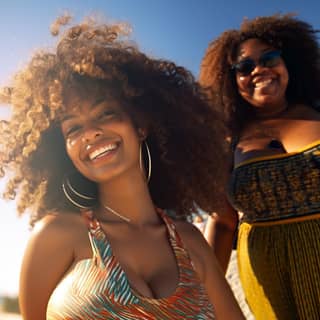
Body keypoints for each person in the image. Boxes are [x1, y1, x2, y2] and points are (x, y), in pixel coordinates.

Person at [0, 15, 244, 320]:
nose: (90, 132)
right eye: (73, 128)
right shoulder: (57, 235)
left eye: (105, 113)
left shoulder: (190, 241)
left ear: (140, 124)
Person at [199, 14, 320, 319]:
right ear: (232, 80)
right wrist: (203, 296)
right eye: (244, 66)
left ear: (288, 61)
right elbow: (224, 223)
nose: (259, 70)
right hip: (268, 277)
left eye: (269, 58)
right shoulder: (229, 142)